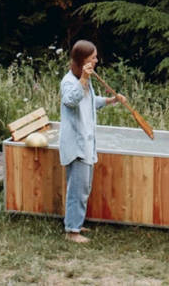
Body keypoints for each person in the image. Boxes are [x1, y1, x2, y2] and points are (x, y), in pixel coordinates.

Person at [59, 40, 125, 243]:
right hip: (76, 145)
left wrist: (111, 100)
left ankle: (75, 222)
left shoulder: (84, 81)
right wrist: (84, 79)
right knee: (77, 190)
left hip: (86, 143)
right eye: (93, 58)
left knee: (84, 188)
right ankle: (72, 231)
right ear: (82, 61)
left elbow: (89, 102)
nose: (96, 60)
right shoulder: (70, 81)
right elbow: (70, 100)